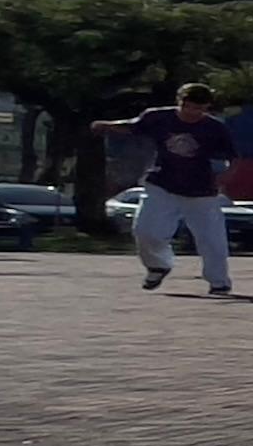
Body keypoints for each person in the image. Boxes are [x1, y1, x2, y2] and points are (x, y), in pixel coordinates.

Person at [93, 84, 235, 294]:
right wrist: (106, 125)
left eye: (199, 109)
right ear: (179, 102)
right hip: (162, 184)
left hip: (201, 190)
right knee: (146, 230)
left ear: (207, 107)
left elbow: (234, 157)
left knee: (211, 239)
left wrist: (224, 178)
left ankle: (219, 281)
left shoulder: (215, 128)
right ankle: (158, 265)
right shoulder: (158, 117)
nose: (192, 113)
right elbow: (133, 126)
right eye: (188, 107)